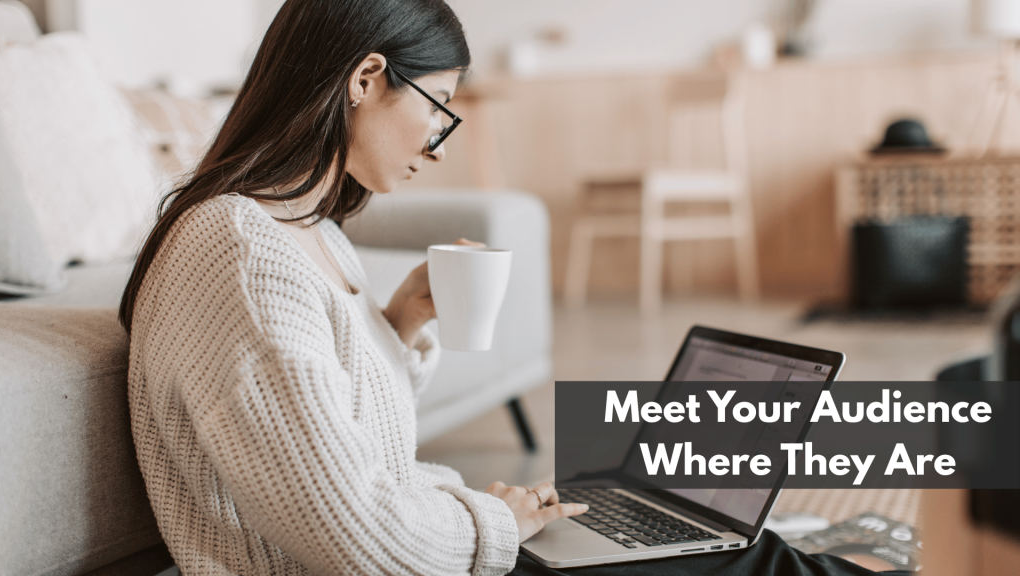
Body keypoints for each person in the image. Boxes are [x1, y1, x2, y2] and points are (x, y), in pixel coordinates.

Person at [119, 1, 901, 575]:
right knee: (747, 562)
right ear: (365, 77)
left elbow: (343, 448)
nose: (439, 143)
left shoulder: (309, 233)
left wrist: (395, 326)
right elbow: (354, 538)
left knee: (705, 540)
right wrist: (496, 523)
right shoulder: (241, 250)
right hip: (397, 563)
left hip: (426, 545)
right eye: (439, 108)